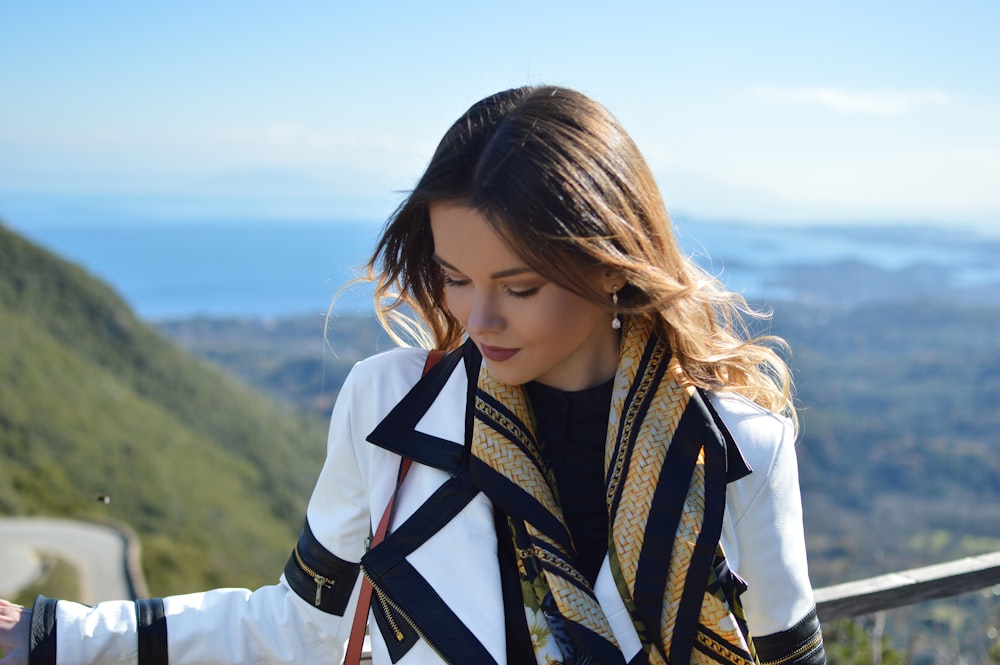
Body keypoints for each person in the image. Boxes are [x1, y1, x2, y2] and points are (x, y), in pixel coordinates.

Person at [0, 85, 825, 664]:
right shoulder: (389, 404)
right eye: (454, 278)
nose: (477, 318)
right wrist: (54, 636)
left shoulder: (740, 447)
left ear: (613, 263)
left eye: (520, 286)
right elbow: (297, 627)